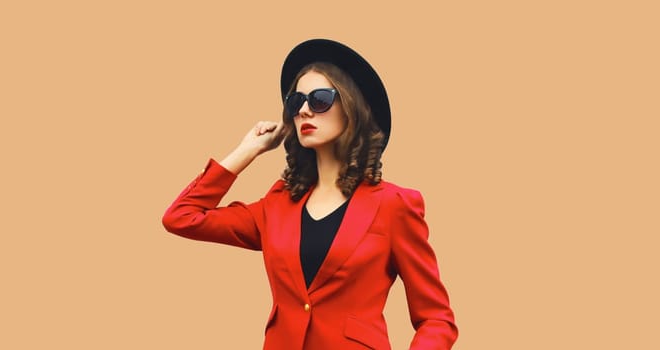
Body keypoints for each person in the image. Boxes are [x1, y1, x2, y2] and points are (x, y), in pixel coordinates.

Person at [162, 39, 458, 349]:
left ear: (351, 108)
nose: (304, 110)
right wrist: (248, 150)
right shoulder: (276, 205)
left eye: (319, 99)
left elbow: (437, 319)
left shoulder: (394, 205)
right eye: (295, 102)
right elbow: (182, 217)